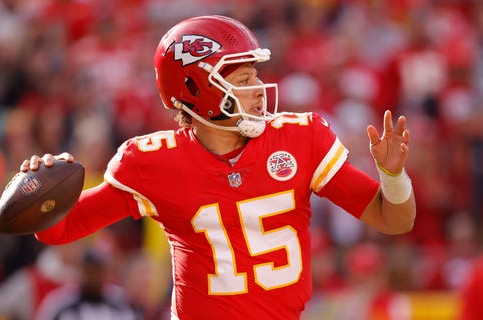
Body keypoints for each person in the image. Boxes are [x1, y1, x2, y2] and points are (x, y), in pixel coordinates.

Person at [20, 15, 416, 320]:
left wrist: (393, 176)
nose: (259, 88)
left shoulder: (301, 138)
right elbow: (62, 229)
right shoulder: (152, 162)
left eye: (256, 74)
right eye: (244, 78)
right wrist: (37, 193)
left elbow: (394, 220)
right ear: (198, 90)